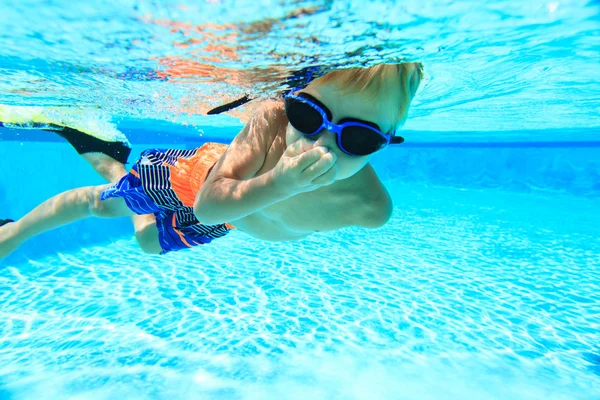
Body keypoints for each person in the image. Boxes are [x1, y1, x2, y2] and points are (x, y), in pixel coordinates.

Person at [0, 62, 423, 258]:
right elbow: (210, 201)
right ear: (291, 104)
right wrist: (282, 183)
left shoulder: (371, 209)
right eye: (308, 116)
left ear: (387, 142)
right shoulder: (272, 118)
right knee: (102, 205)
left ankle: (112, 160)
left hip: (237, 216)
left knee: (148, 243)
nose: (324, 145)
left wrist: (283, 190)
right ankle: (15, 234)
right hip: (198, 180)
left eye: (360, 138)